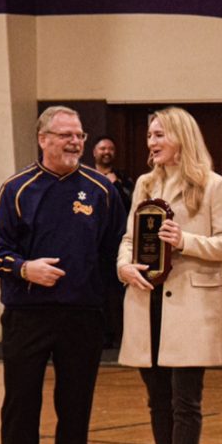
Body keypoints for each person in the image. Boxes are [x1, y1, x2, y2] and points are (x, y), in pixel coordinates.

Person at [0, 106, 126, 444]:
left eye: (79, 135)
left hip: (83, 317)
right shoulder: (16, 189)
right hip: (28, 315)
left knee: (75, 408)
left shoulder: (102, 190)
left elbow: (116, 248)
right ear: (43, 139)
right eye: (65, 135)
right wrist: (25, 268)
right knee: (21, 406)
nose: (75, 142)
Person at [117, 107, 222, 444]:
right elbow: (130, 238)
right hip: (147, 301)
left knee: (186, 402)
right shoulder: (144, 184)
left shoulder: (213, 185)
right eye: (150, 136)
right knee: (158, 402)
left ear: (181, 138)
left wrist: (184, 240)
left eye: (159, 135)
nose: (151, 143)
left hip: (189, 305)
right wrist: (124, 266)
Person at [92, 136, 135, 348]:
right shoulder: (85, 178)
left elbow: (133, 205)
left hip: (117, 243)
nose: (106, 152)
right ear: (94, 152)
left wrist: (115, 184)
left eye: (110, 148)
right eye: (102, 148)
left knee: (116, 292)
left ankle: (120, 334)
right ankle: (100, 335)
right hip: (93, 245)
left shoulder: (124, 179)